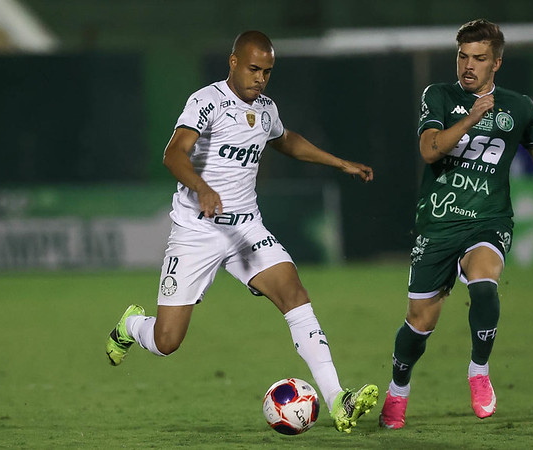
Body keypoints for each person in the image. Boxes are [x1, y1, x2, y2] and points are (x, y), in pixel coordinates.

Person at [105, 30, 378, 433]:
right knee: (166, 341)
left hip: (246, 228)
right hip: (197, 231)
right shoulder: (206, 101)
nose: (260, 79)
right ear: (233, 62)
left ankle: (338, 398)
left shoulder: (266, 108)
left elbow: (285, 141)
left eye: (267, 72)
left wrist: (340, 163)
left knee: (294, 294)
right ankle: (130, 325)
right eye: (253, 69)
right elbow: (172, 154)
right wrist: (202, 187)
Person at [378, 19, 533, 429]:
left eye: (478, 58)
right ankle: (398, 391)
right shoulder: (438, 96)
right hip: (438, 223)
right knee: (420, 323)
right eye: (462, 56)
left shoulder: (519, 107)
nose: (468, 66)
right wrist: (472, 118)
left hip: (488, 220)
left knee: (484, 282)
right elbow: (430, 150)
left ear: (497, 62)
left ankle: (478, 372)